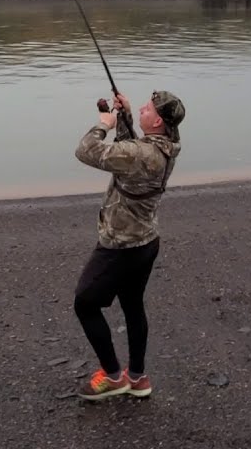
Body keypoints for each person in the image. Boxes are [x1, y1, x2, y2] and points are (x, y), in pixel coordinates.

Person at [71, 90, 185, 401]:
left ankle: (112, 376)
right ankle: (138, 378)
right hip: (146, 242)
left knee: (85, 303)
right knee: (133, 306)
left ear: (158, 120)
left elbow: (86, 151)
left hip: (120, 247)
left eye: (147, 109)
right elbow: (132, 152)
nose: (144, 109)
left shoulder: (140, 154)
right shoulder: (166, 147)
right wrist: (126, 117)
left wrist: (104, 124)